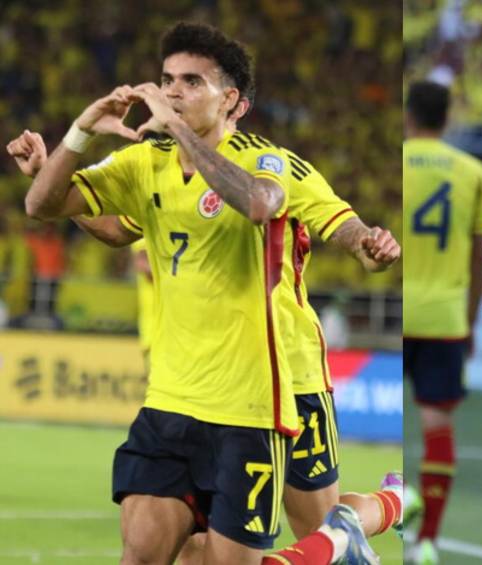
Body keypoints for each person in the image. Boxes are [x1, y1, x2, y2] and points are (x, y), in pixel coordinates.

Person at [17, 21, 393, 565]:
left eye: (191, 82)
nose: (172, 92)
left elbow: (319, 220)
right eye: (167, 80)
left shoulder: (271, 163)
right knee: (173, 549)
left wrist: (369, 244)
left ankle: (383, 507)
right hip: (177, 395)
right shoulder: (148, 165)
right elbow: (110, 226)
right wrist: (63, 153)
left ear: (231, 101)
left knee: (319, 530)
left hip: (285, 375)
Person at [402, 80, 482, 564]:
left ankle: (390, 499)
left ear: (408, 116)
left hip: (398, 312)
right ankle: (427, 542)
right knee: (437, 426)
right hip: (444, 316)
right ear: (447, 118)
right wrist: (471, 322)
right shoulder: (473, 172)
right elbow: (481, 257)